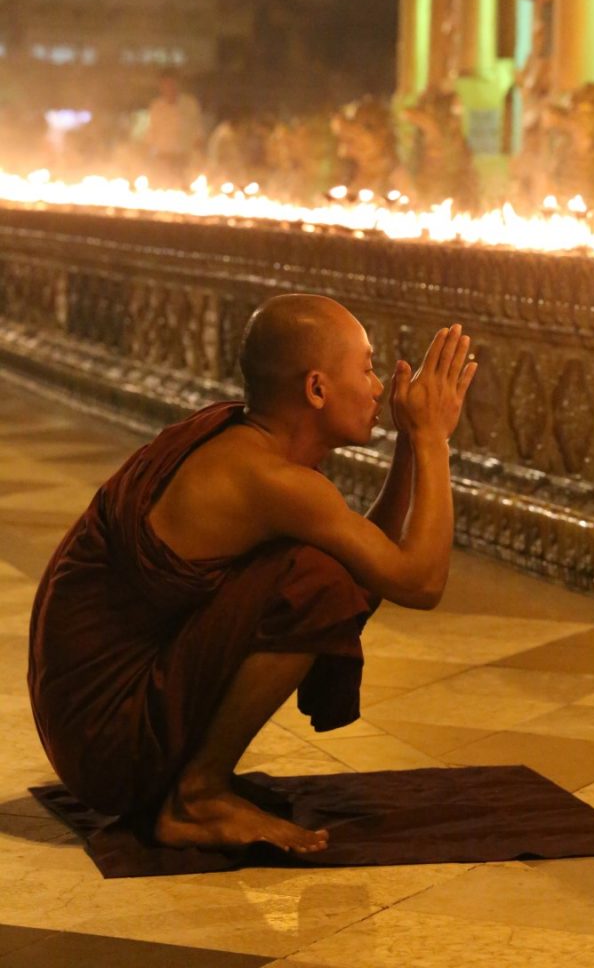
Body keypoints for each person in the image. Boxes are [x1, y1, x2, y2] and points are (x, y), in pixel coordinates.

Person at [28, 294, 477, 855]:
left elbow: (373, 567)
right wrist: (434, 438)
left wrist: (410, 444)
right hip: (108, 740)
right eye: (365, 369)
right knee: (317, 584)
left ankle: (197, 783)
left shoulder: (240, 439)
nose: (379, 388)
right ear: (316, 389)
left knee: (325, 575)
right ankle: (198, 795)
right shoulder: (269, 481)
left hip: (85, 723)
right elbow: (420, 582)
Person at [143, 70, 204, 186]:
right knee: (164, 187)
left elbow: (198, 131)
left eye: (172, 84)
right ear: (160, 86)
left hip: (184, 158)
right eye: (165, 84)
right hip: (163, 158)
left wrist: (198, 157)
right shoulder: (156, 106)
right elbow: (151, 132)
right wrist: (146, 155)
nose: (169, 88)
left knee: (183, 188)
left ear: (178, 84)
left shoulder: (190, 104)